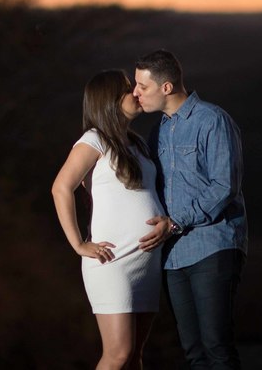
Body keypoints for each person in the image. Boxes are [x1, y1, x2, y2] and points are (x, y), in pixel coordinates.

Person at [134, 49, 248, 370]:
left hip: (213, 246)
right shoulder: (158, 131)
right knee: (193, 352)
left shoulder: (212, 120)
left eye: (143, 87)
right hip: (172, 256)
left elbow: (225, 186)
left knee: (217, 347)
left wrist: (175, 222)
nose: (135, 93)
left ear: (166, 87)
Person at [52, 69, 165, 370]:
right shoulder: (94, 140)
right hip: (112, 260)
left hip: (146, 262)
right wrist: (78, 243)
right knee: (117, 353)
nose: (137, 93)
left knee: (134, 357)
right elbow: (61, 187)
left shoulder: (137, 143)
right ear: (110, 100)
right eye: (129, 89)